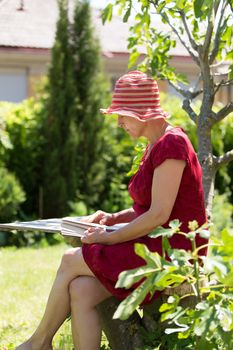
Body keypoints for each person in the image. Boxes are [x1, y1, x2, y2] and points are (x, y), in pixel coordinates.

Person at [16, 70, 207, 350]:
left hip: (174, 252)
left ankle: (39, 342)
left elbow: (159, 214)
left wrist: (107, 237)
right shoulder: (155, 146)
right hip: (156, 244)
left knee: (71, 260)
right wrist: (111, 219)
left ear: (141, 111)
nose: (118, 122)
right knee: (80, 290)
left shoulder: (172, 144)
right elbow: (145, 209)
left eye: (122, 114)